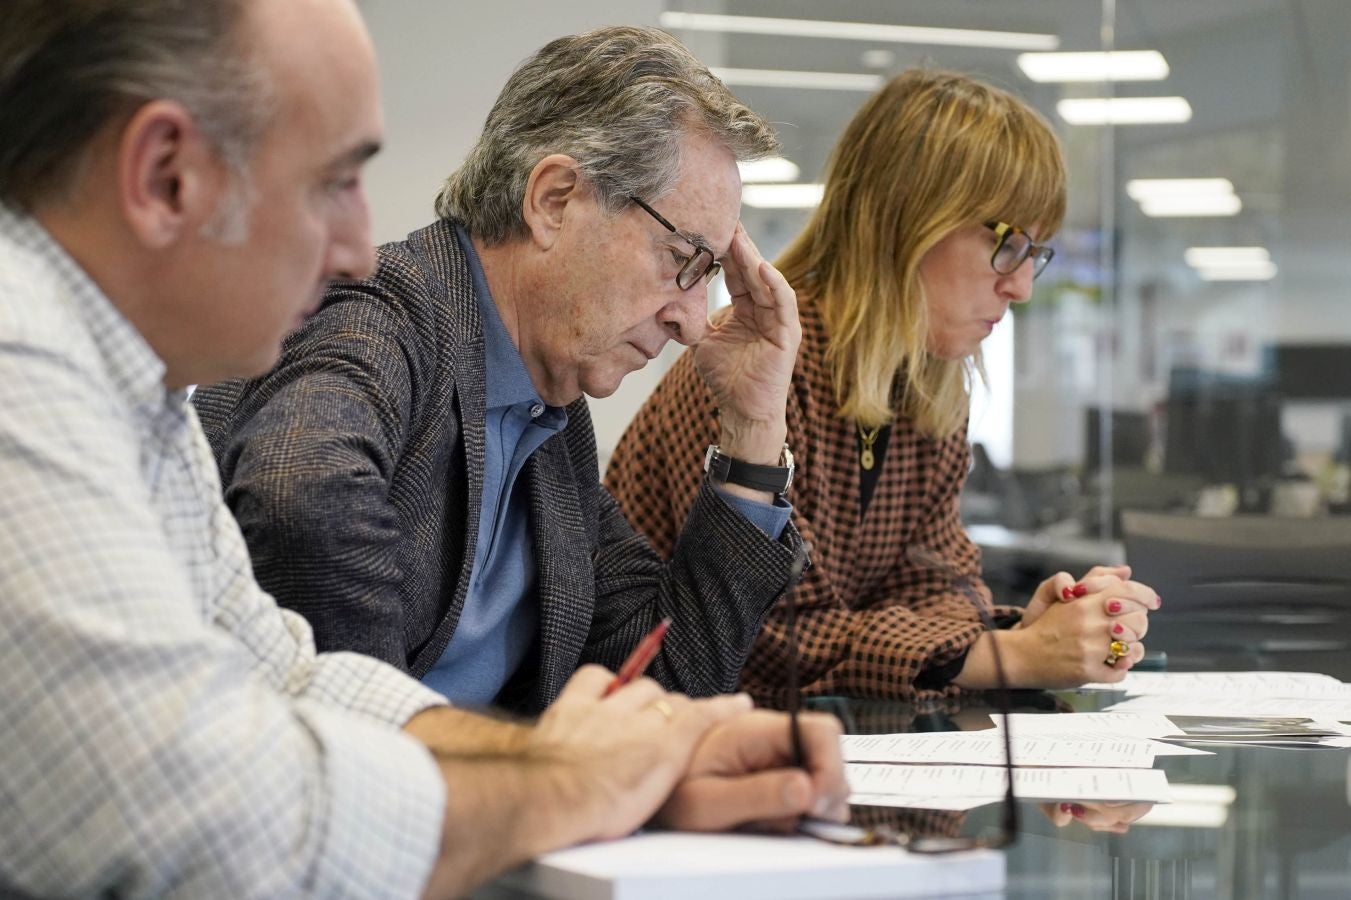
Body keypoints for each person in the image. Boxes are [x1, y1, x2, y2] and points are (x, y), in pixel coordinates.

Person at [0, 3, 848, 897]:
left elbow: (294, 680)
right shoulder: (24, 368)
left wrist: (641, 758)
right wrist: (567, 781)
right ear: (165, 174)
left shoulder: (143, 395)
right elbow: (205, 814)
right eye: (332, 182)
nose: (359, 245)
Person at [192, 26, 804, 712]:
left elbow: (667, 678)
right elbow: (294, 495)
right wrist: (451, 762)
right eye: (684, 260)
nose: (692, 322)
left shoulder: (548, 417)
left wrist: (753, 428)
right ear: (554, 200)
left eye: (709, 277)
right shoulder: (382, 311)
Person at [606, 69, 1162, 705]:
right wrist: (1010, 654)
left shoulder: (926, 379)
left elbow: (936, 585)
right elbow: (774, 641)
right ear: (909, 217)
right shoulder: (753, 361)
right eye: (1009, 244)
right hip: (672, 751)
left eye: (1036, 254)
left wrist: (1020, 632)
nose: (1021, 286)